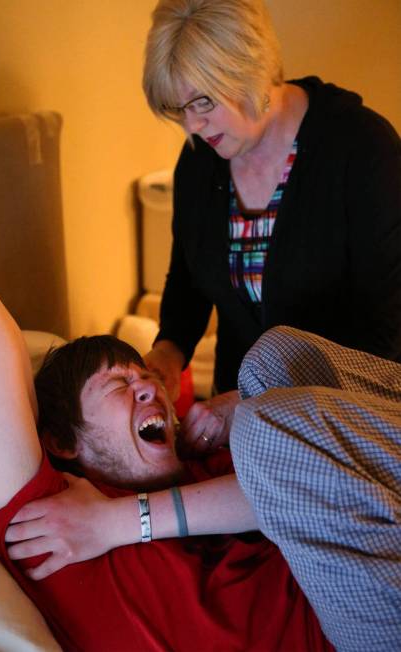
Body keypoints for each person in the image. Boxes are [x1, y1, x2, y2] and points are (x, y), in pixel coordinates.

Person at [0, 283, 333, 652]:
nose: (151, 390)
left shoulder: (200, 465)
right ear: (64, 441)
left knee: (275, 364)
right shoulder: (51, 527)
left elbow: (307, 485)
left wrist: (238, 407)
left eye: (149, 378)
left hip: (356, 565)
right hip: (347, 627)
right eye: (118, 383)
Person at [141, 0, 401, 428]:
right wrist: (168, 352)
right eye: (178, 109)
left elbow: (384, 335)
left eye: (203, 102)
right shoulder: (200, 162)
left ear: (250, 70)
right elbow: (188, 282)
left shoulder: (362, 150)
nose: (192, 127)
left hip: (347, 420)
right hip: (236, 420)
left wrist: (249, 402)